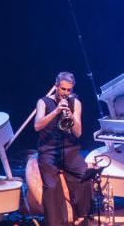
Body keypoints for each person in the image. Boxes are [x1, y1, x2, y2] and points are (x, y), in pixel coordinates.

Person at [35, 71, 92, 226]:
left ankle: (81, 215)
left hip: (70, 150)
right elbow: (37, 125)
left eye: (69, 90)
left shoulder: (75, 103)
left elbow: (78, 133)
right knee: (51, 188)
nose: (66, 93)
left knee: (85, 176)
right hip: (48, 151)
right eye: (63, 89)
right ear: (56, 87)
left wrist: (70, 114)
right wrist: (56, 111)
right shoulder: (43, 102)